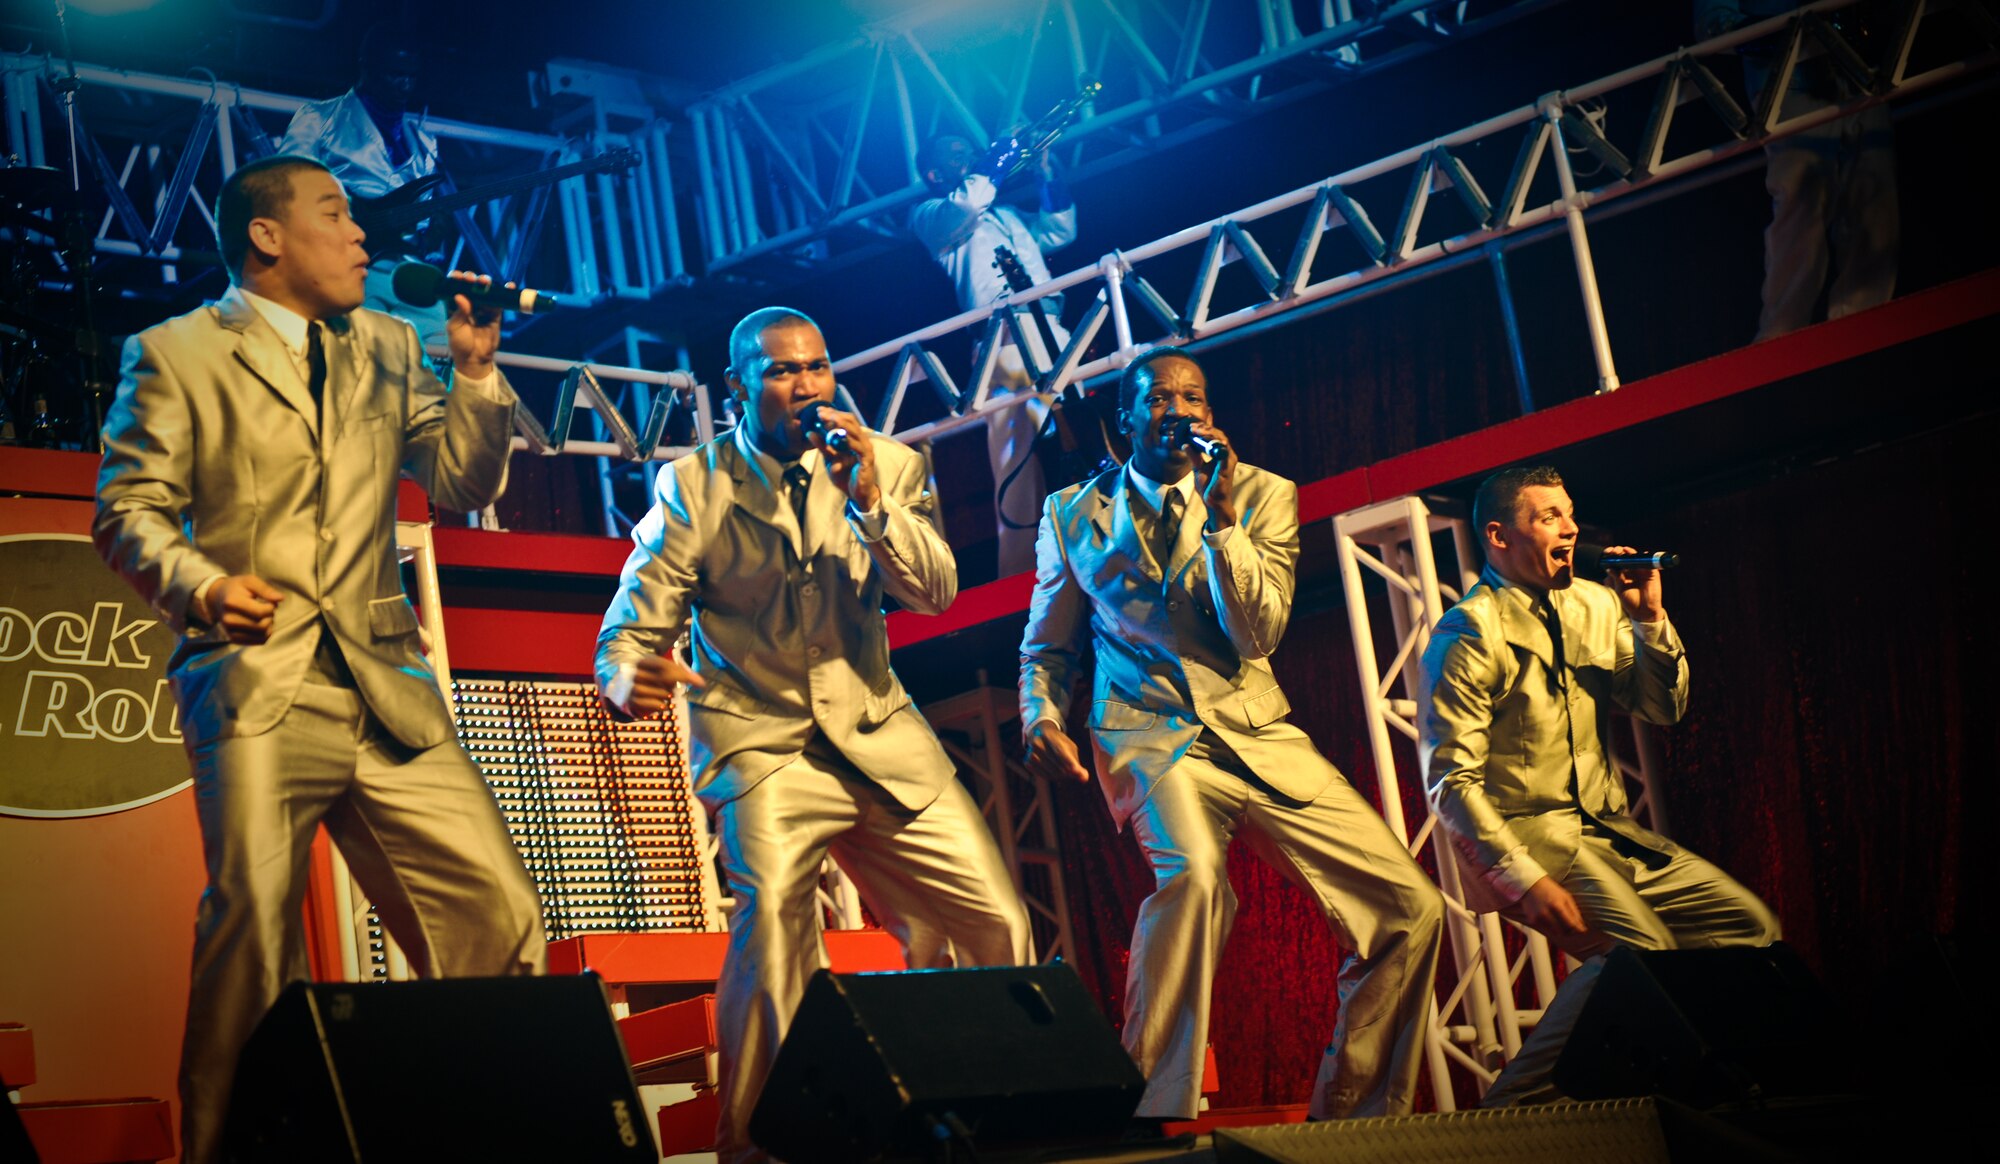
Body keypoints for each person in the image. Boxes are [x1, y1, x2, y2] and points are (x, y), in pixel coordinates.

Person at [93, 155, 545, 1163]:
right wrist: (203, 587)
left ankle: (482, 1141)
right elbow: (125, 513)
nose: (359, 237)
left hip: (388, 683)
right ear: (266, 236)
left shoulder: (386, 344)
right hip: (259, 675)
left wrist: (474, 372)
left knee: (499, 912)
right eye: (334, 214)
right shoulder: (174, 353)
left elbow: (463, 482)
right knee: (255, 934)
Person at [595, 307, 1032, 1163]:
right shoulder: (696, 485)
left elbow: (936, 591)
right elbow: (631, 627)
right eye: (782, 372)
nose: (806, 387)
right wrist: (624, 676)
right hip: (763, 741)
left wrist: (870, 499)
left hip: (878, 731)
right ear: (738, 389)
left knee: (996, 921)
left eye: (818, 368)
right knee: (776, 925)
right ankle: (757, 1148)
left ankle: (991, 1123)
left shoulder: (889, 465)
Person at [1018, 346, 1444, 1128]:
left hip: (1257, 733)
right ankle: (1142, 1110)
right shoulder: (1069, 514)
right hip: (1148, 735)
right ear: (1126, 420)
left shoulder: (1263, 496)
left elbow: (1256, 636)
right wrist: (1040, 715)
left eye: (1196, 399)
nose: (1180, 411)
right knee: (1198, 879)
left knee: (1409, 906)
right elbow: (1048, 644)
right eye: (1160, 399)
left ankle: (1354, 1120)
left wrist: (1222, 523)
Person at [1418, 464, 1780, 1104]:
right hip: (1533, 839)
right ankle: (1509, 1112)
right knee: (1641, 953)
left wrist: (1648, 622)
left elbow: (1661, 708)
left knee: (1748, 928)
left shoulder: (1594, 603)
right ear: (1499, 537)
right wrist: (1523, 880)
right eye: (1548, 516)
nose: (1570, 527)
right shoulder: (1470, 631)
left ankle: (1698, 1091)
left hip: (1612, 834)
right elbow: (1449, 777)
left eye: (1570, 512)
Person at [909, 132, 1079, 576]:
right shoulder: (931, 216)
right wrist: (994, 166)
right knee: (1016, 464)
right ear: (933, 173)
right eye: (954, 152)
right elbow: (964, 208)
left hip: (1053, 330)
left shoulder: (1005, 213)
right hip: (1002, 342)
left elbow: (1060, 231)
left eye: (968, 150)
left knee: (1077, 433)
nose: (966, 153)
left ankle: (1097, 534)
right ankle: (1021, 572)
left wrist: (1047, 176)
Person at [1695, 0, 1897, 339]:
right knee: (1802, 211)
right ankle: (1782, 340)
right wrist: (1800, 32)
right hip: (1788, 81)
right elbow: (1713, 22)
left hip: (1858, 71)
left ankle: (1865, 329)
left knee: (1876, 201)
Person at [278, 26, 449, 346]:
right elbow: (285, 189)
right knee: (358, 360)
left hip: (407, 270)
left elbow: (423, 222)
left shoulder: (425, 142)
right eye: (395, 74)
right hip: (345, 265)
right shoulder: (319, 118)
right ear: (366, 66)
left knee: (439, 359)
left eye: (412, 75)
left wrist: (434, 227)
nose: (405, 85)